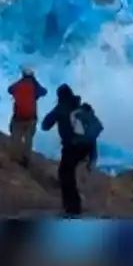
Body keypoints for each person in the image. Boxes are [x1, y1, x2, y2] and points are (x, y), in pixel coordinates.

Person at [41, 84, 88, 216]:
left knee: (65, 174)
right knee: (69, 173)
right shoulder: (78, 105)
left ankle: (71, 207)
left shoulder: (61, 108)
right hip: (84, 146)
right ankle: (74, 205)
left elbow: (46, 125)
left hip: (71, 146)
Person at [6, 67, 48, 166]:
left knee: (16, 137)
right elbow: (44, 92)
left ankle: (15, 158)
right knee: (28, 139)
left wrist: (21, 81)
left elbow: (10, 90)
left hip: (18, 117)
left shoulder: (19, 85)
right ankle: (26, 159)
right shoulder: (34, 87)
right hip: (31, 118)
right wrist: (35, 82)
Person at [70, 102, 104, 171]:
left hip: (78, 141)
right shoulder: (92, 116)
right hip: (89, 143)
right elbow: (100, 127)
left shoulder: (77, 114)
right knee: (92, 149)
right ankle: (91, 166)